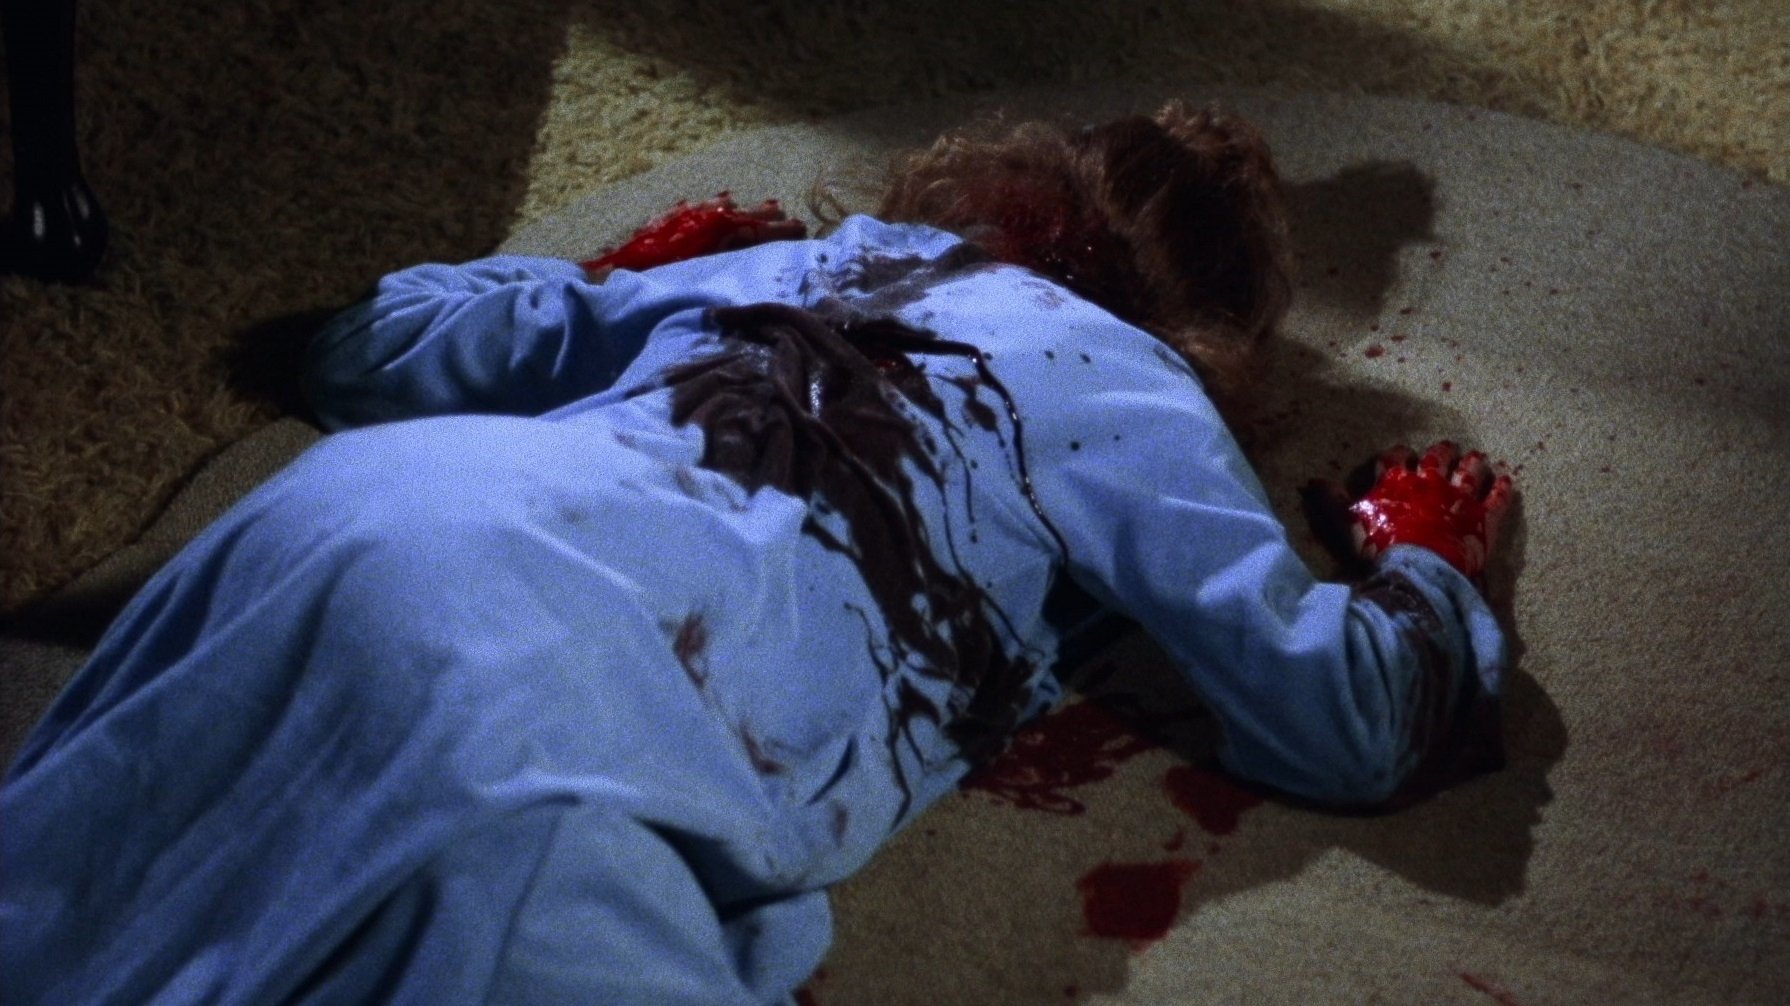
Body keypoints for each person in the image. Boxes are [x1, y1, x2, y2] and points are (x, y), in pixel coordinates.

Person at [0, 102, 1513, 1005]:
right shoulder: (1130, 388)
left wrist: (623, 279)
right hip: (587, 716)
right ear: (1201, 332)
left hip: (355, 520)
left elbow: (369, 348)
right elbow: (1344, 718)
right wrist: (1427, 570)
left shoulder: (834, 262)